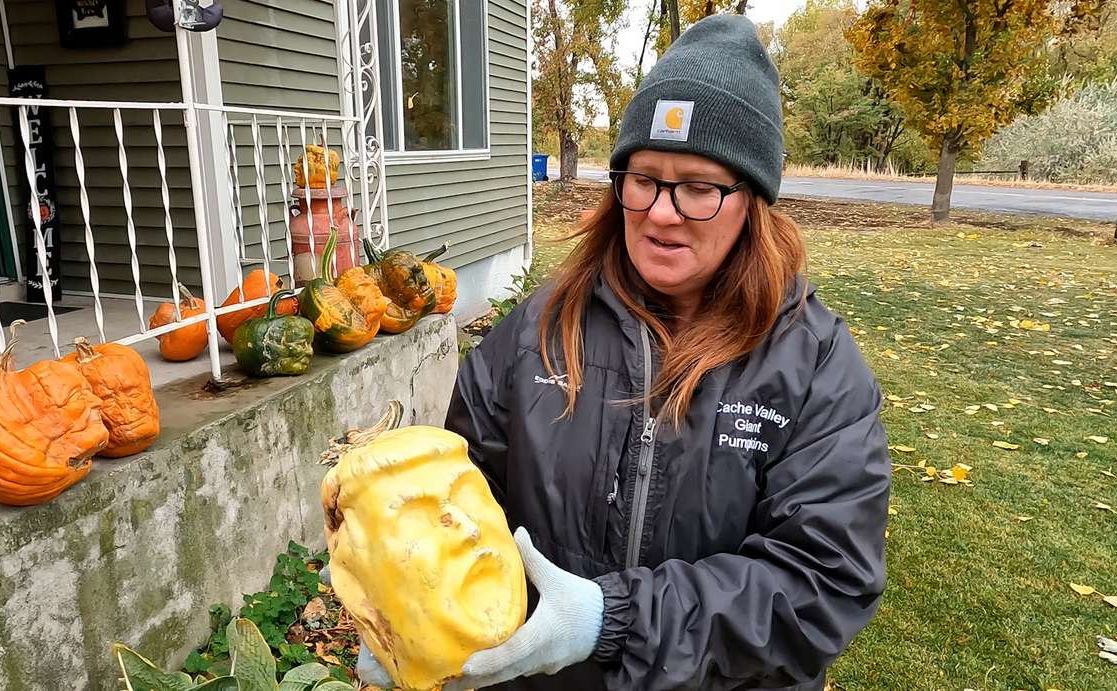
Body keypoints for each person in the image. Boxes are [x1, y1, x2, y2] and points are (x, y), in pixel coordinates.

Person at [359, 13, 890, 691]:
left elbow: (821, 583)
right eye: (643, 178)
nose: (662, 211)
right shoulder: (533, 334)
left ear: (751, 201)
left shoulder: (814, 367)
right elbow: (465, 502)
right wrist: (408, 590)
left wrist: (617, 619)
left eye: (699, 186)